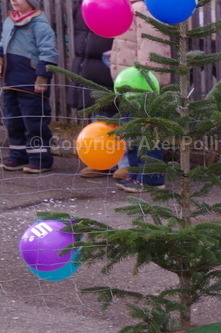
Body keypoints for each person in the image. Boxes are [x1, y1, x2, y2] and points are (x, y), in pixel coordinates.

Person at [109, 0, 171, 192]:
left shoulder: (146, 10)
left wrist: (145, 78)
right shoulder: (129, 9)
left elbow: (150, 48)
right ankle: (137, 173)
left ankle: (151, 178)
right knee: (134, 131)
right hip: (130, 83)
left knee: (146, 131)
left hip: (142, 84)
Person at [0, 0, 56, 174]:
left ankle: (40, 158)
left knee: (34, 121)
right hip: (10, 80)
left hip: (31, 82)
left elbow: (48, 52)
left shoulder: (40, 25)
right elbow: (2, 44)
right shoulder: (9, 21)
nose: (13, 1)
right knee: (12, 120)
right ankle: (18, 155)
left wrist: (42, 77)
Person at [71, 0, 115, 178]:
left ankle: (124, 161)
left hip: (109, 60)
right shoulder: (82, 4)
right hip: (88, 60)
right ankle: (101, 160)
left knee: (114, 112)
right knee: (98, 112)